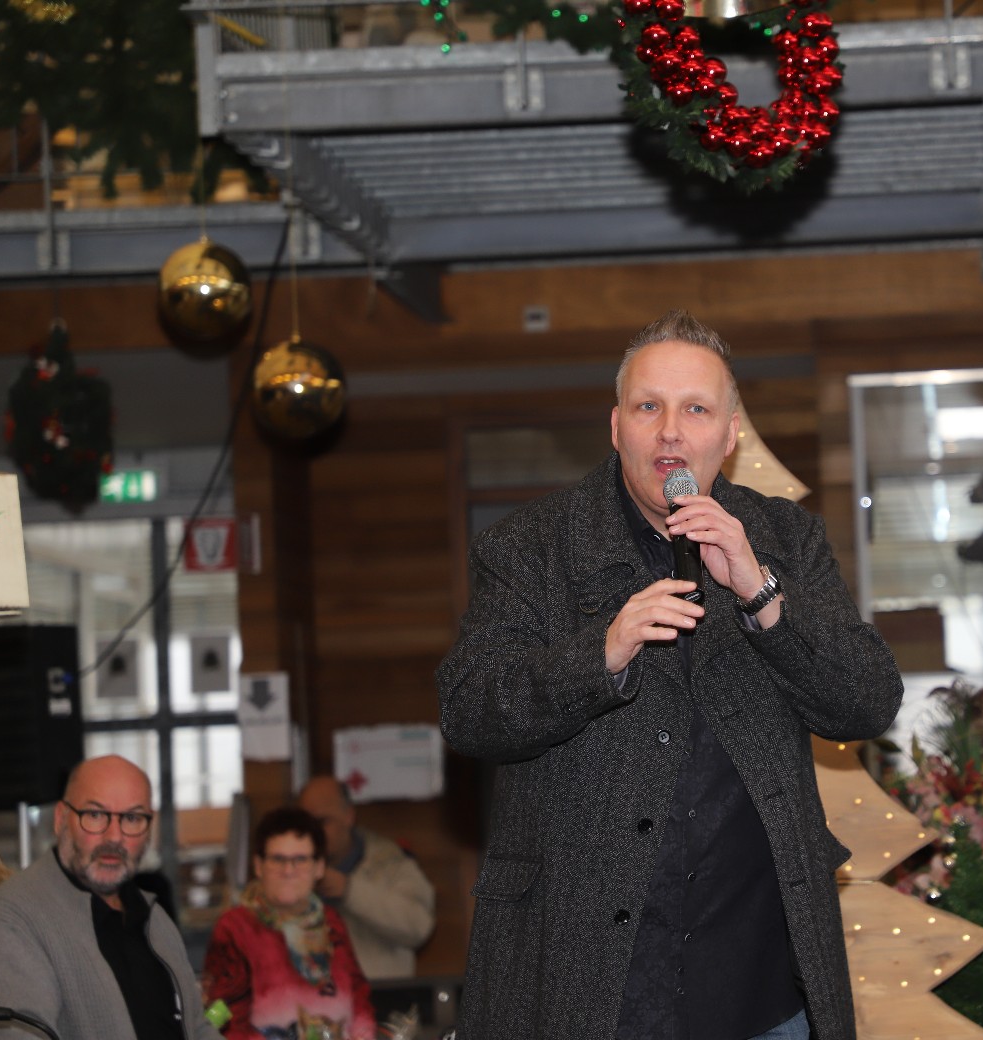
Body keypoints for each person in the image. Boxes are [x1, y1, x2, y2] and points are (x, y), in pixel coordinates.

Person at [436, 309, 904, 1040]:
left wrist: (760, 592)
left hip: (756, 981)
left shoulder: (785, 539)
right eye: (648, 407)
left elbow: (867, 702)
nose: (671, 433)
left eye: (695, 410)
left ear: (730, 434)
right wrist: (599, 653)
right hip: (582, 980)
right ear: (616, 426)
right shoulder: (530, 548)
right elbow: (468, 710)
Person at [0, 755, 223, 1040]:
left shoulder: (154, 919)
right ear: (61, 819)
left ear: (149, 829)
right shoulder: (7, 922)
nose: (114, 837)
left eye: (132, 818)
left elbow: (196, 1028)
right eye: (95, 815)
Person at [204, 807, 376, 1040]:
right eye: (278, 859)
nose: (288, 871)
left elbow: (358, 994)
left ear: (319, 867)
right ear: (258, 865)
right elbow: (223, 1015)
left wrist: (363, 1034)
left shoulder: (331, 921)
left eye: (300, 860)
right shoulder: (236, 928)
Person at [296, 775, 437, 979]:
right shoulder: (286, 870)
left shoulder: (390, 862)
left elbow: (419, 927)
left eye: (322, 822)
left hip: (380, 995)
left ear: (349, 816)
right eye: (305, 825)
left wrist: (349, 891)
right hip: (311, 996)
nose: (313, 833)